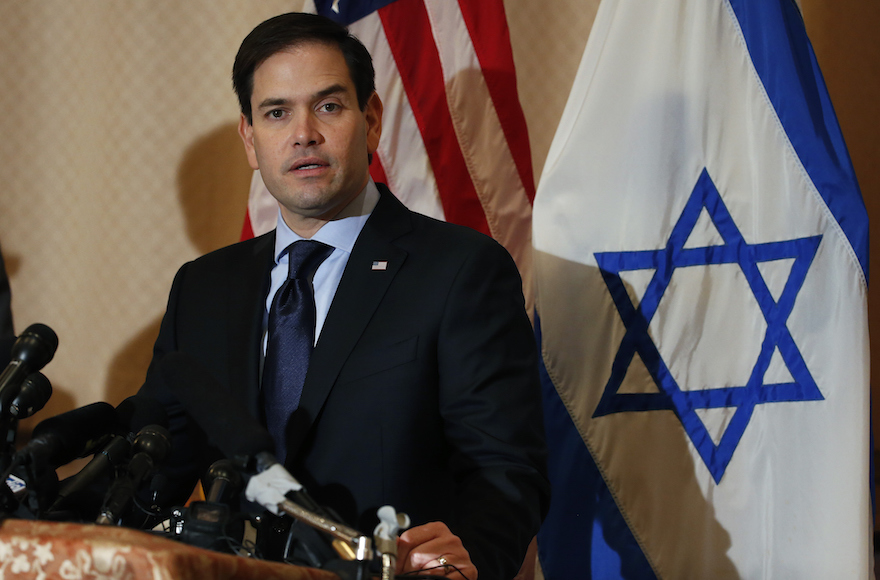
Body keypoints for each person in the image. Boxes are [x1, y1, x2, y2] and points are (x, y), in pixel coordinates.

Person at [140, 12, 549, 579]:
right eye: (276, 112)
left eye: (328, 106)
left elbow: (504, 469)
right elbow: (153, 464)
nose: (303, 132)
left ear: (372, 120)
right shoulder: (204, 288)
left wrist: (463, 559)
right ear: (250, 139)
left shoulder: (459, 271)